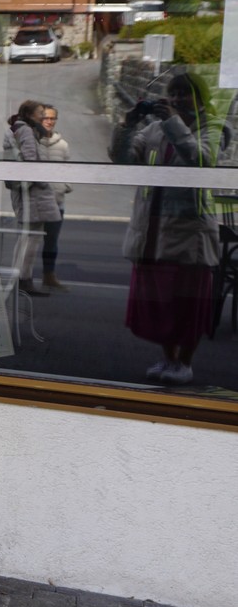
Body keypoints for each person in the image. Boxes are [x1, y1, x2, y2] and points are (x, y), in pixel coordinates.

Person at [108, 70, 223, 385]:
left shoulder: (214, 127)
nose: (177, 99)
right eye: (173, 93)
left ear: (200, 98)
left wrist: (173, 122)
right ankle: (168, 359)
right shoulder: (155, 128)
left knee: (187, 304)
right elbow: (123, 161)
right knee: (160, 303)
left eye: (184, 93)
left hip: (189, 233)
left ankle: (185, 363)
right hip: (152, 228)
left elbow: (201, 160)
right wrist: (127, 124)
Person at [3, 100, 59, 297]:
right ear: (29, 114)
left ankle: (20, 277)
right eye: (40, 113)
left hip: (27, 194)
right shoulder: (26, 131)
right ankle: (24, 279)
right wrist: (44, 181)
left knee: (26, 238)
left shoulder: (18, 129)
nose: (43, 116)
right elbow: (30, 162)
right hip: (33, 196)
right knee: (31, 239)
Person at [37, 104, 73, 291]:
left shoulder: (63, 145)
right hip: (36, 202)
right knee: (29, 241)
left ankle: (49, 275)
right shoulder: (33, 142)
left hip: (57, 202)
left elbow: (68, 170)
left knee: (51, 242)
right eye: (46, 118)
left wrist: (64, 187)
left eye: (52, 118)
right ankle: (22, 276)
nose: (49, 121)